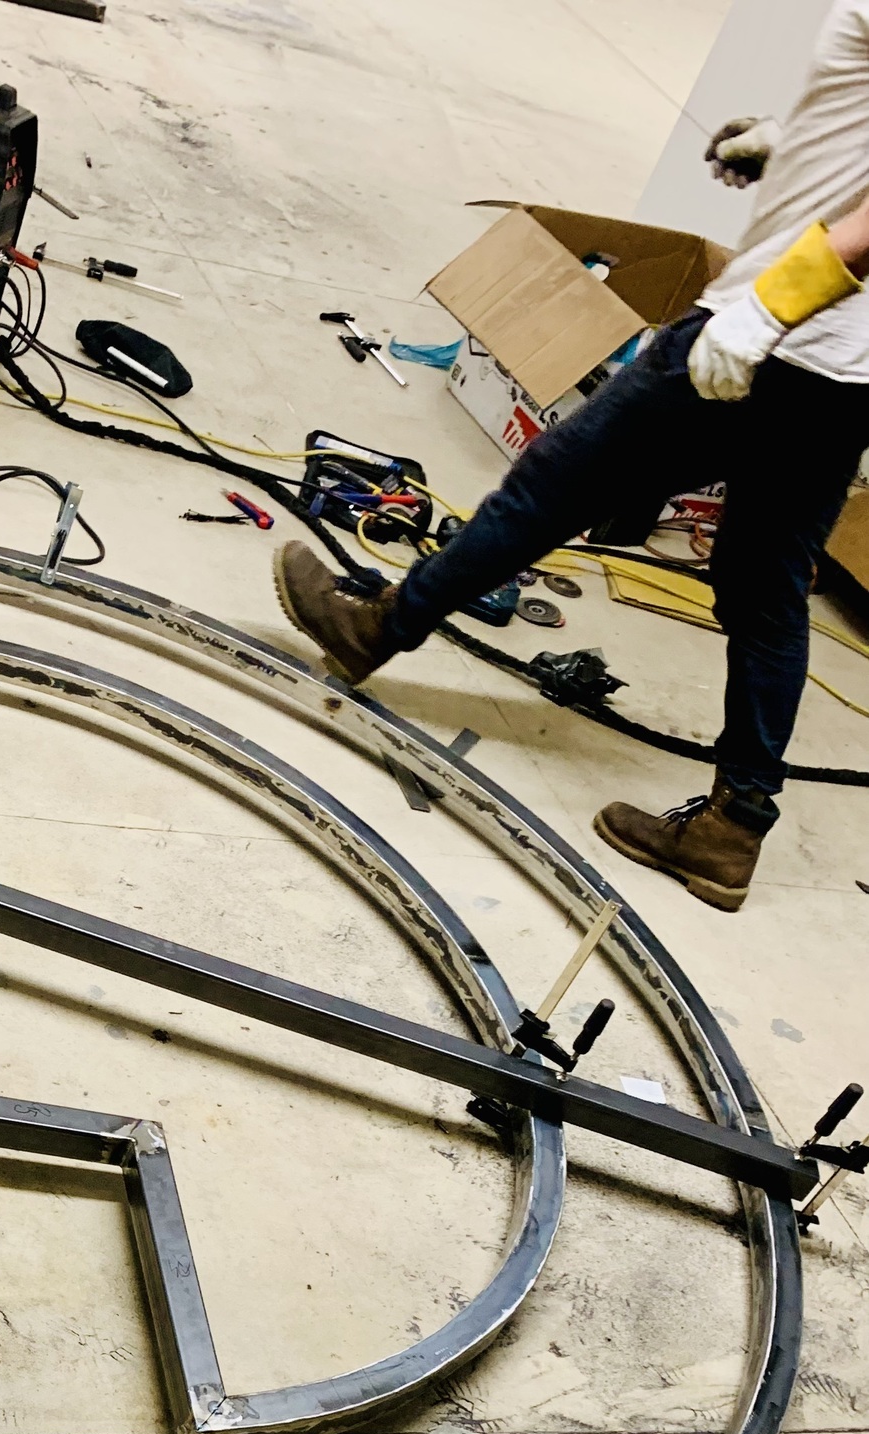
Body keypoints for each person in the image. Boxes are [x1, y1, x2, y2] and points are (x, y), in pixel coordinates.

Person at [273, 0, 869, 913]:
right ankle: (731, 830)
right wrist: (800, 146)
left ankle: (378, 628)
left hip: (778, 338)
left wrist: (769, 306)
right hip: (845, 377)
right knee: (765, 586)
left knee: (552, 487)